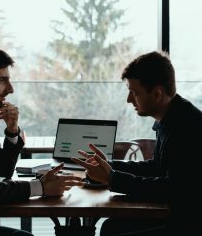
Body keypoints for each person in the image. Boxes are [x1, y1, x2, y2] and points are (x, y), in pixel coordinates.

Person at [0, 45, 83, 236]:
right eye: (2, 80)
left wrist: (12, 131)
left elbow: (2, 170)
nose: (10, 89)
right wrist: (40, 187)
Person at [72, 51, 201, 236]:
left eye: (135, 92)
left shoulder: (186, 127)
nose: (129, 99)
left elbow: (170, 189)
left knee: (111, 230)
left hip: (187, 224)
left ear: (157, 93)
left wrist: (112, 178)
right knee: (110, 227)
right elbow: (157, 167)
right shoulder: (174, 117)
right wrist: (108, 167)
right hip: (177, 215)